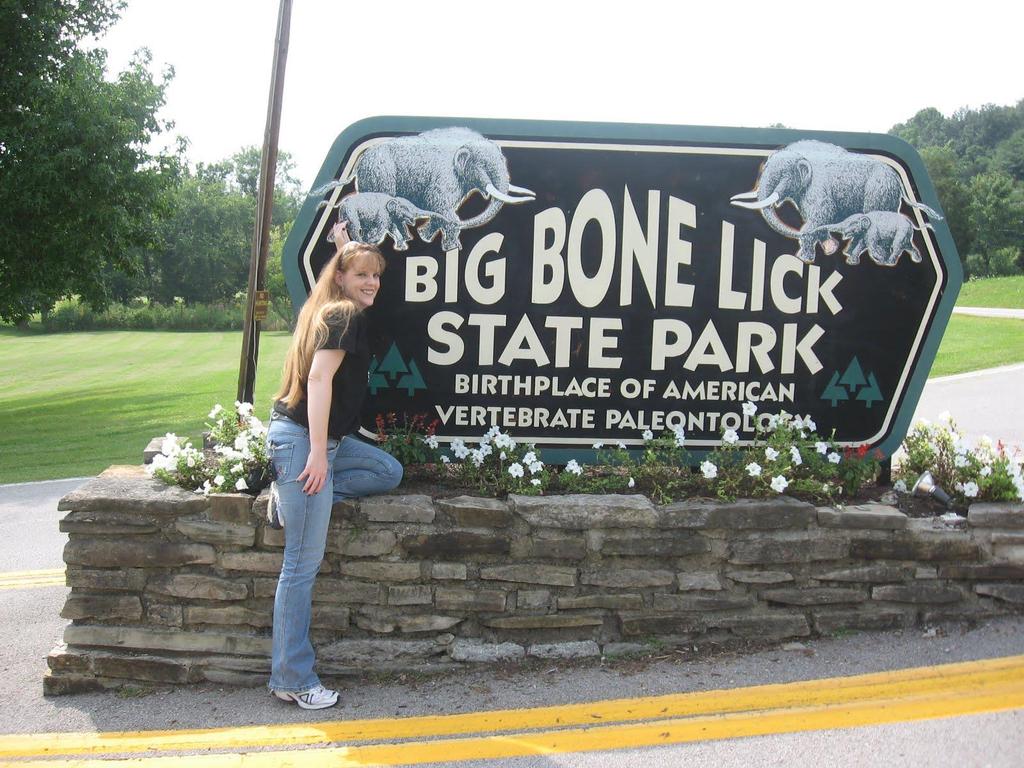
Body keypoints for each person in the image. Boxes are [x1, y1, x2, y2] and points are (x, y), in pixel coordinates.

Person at [265, 223, 403, 709]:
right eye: (362, 275)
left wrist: (348, 251)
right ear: (342, 278)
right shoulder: (343, 315)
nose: (372, 283)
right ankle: (292, 678)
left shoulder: (332, 304)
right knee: (301, 566)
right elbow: (320, 380)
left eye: (377, 276)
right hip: (305, 440)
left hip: (325, 441)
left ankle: (298, 496)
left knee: (387, 472)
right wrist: (319, 454)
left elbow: (346, 277)